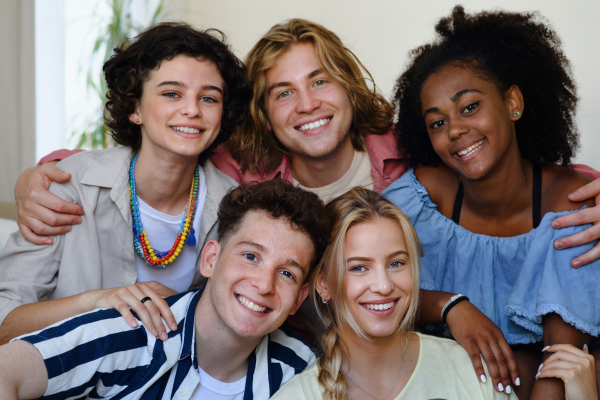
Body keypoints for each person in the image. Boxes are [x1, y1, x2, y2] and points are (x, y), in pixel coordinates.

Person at [9, 16, 600, 385]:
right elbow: (152, 157)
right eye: (282, 93)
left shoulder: (413, 159)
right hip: (301, 365)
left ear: (347, 84)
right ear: (263, 116)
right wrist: (37, 178)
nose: (308, 104)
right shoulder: (246, 183)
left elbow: (529, 176)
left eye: (320, 81)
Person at [383, 6, 600, 399]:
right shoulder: (420, 200)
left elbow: (561, 365)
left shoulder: (575, 203)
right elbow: (361, 291)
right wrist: (451, 306)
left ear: (513, 103)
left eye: (470, 107)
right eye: (437, 122)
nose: (456, 130)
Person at [0, 22, 252, 345]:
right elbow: (5, 319)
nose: (192, 110)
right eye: (171, 93)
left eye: (209, 98)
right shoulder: (69, 187)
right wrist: (97, 302)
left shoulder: (236, 210)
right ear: (135, 108)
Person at [0, 180, 333, 400]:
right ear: (211, 259)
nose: (263, 284)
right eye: (250, 256)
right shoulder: (133, 331)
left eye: (287, 273)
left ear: (299, 299)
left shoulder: (299, 369)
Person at [272, 188, 521, 399]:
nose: (384, 285)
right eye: (359, 267)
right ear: (324, 284)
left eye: (396, 263)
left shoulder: (470, 369)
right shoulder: (297, 395)